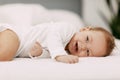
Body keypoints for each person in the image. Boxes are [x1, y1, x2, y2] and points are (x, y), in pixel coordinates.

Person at [0, 22, 115, 64]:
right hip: (15, 35)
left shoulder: (65, 49)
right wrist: (60, 55)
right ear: (85, 29)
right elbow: (53, 35)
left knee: (7, 53)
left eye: (88, 52)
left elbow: (47, 52)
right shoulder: (68, 29)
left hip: (17, 49)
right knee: (5, 54)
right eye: (87, 39)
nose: (83, 46)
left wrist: (39, 53)